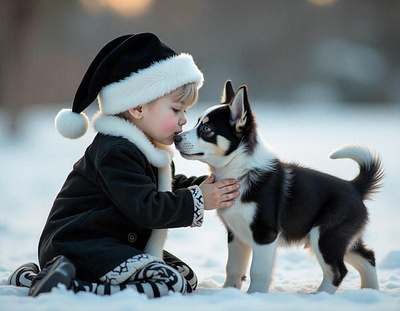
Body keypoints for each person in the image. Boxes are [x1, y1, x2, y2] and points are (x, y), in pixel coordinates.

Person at [7, 33, 240, 298]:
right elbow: (145, 207)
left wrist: (202, 186)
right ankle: (63, 282)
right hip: (79, 244)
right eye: (176, 110)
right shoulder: (115, 151)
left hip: (111, 241)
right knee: (169, 282)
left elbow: (164, 187)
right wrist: (197, 200)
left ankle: (45, 275)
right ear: (138, 108)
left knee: (184, 277)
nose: (184, 120)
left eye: (185, 111)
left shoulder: (145, 148)